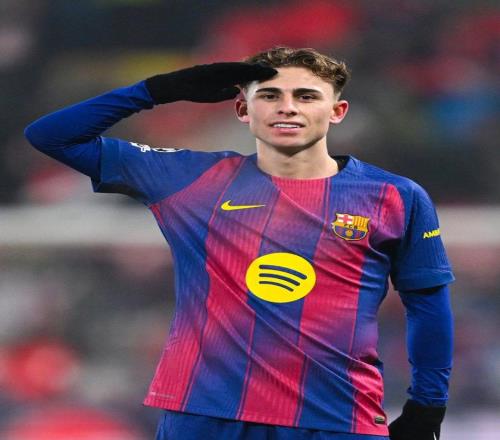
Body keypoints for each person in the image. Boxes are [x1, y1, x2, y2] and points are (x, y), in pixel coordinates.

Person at [25, 47, 454, 440]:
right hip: (204, 417)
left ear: (337, 111)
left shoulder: (394, 196)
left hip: (336, 416)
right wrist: (157, 90)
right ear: (242, 109)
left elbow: (428, 304)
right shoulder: (190, 178)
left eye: (306, 96)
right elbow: (51, 136)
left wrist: (428, 405)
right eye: (269, 95)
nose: (287, 107)